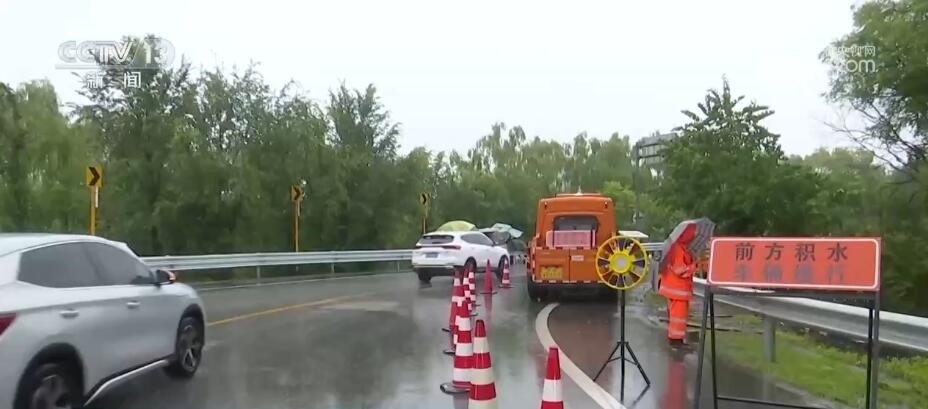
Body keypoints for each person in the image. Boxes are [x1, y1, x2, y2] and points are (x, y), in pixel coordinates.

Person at [658, 223, 697, 347]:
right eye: (692, 233)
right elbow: (679, 270)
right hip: (677, 290)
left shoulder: (681, 247)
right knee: (678, 317)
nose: (694, 236)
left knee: (678, 316)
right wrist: (693, 267)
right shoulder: (677, 249)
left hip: (676, 289)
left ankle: (677, 338)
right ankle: (675, 340)